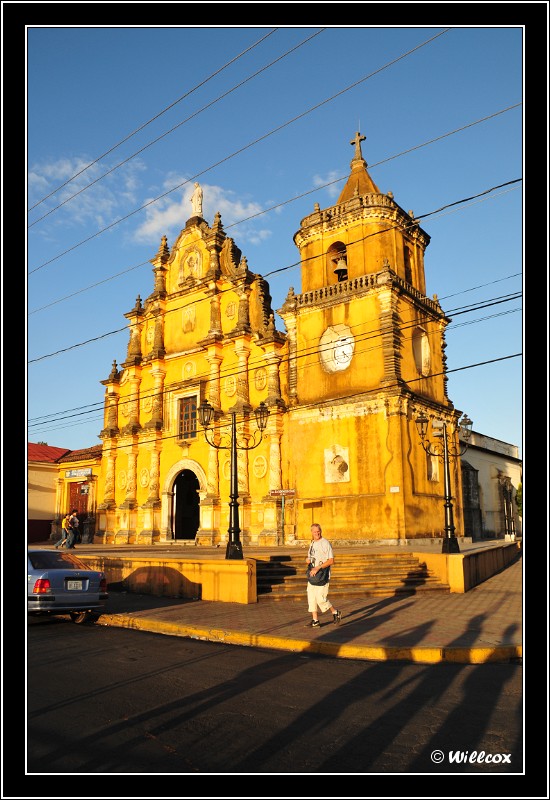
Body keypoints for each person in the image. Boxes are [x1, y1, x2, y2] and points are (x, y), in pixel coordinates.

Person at [305, 523, 341, 627]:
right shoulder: (312, 543)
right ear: (311, 532)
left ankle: (335, 612)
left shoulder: (325, 543)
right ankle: (315, 620)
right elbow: (311, 557)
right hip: (312, 574)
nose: (317, 533)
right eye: (315, 531)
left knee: (321, 599)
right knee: (311, 597)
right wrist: (307, 560)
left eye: (318, 531)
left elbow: (331, 561)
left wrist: (318, 567)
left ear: (321, 531)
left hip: (322, 575)